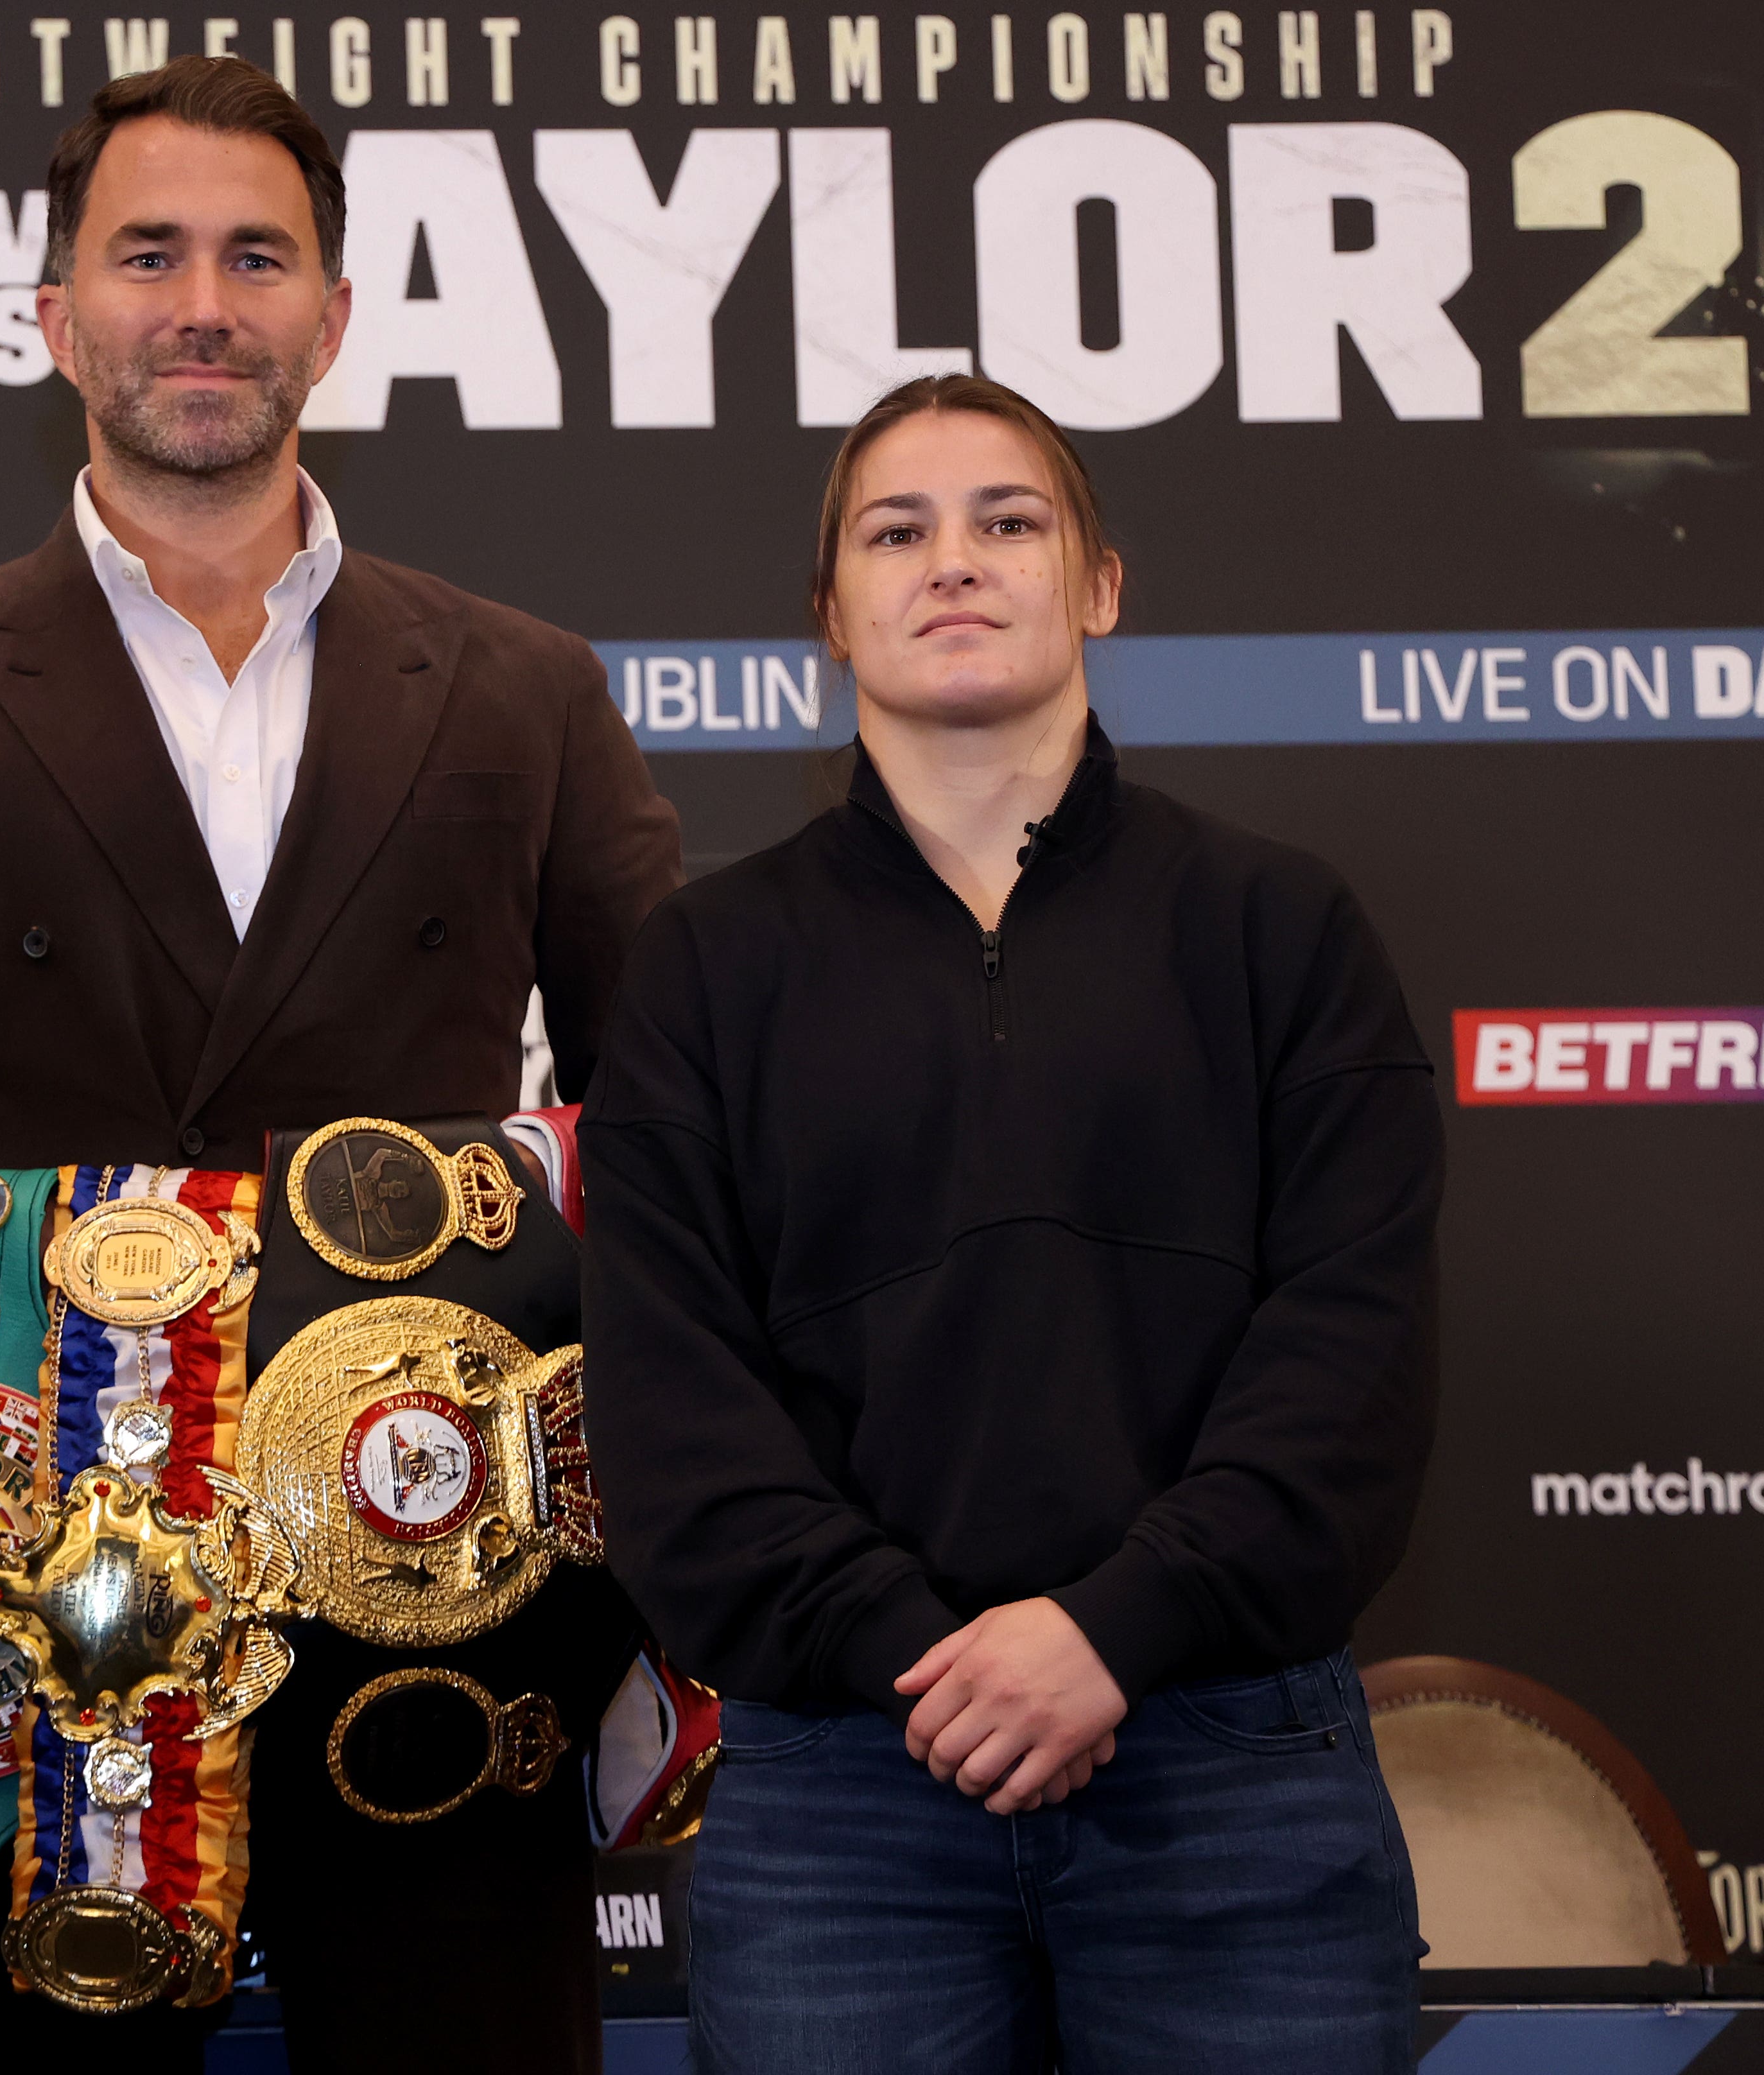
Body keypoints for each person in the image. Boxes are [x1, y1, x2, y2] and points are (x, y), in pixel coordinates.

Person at [0, 51, 681, 2075]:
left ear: (334, 314)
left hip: (436, 1612)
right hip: (16, 1640)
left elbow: (673, 1149)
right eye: (148, 254)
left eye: (260, 256)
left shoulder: (525, 690)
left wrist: (633, 1587)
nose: (205, 303)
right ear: (54, 315)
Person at [580, 373, 1440, 2072]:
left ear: (1101, 585)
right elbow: (676, 1411)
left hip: (1233, 1776)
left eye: (1008, 522)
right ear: (831, 615)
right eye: (897, 532)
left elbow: (1353, 1359)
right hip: (844, 1795)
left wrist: (1117, 1628)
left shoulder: (1281, 928)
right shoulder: (708, 967)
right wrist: (926, 1661)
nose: (952, 562)